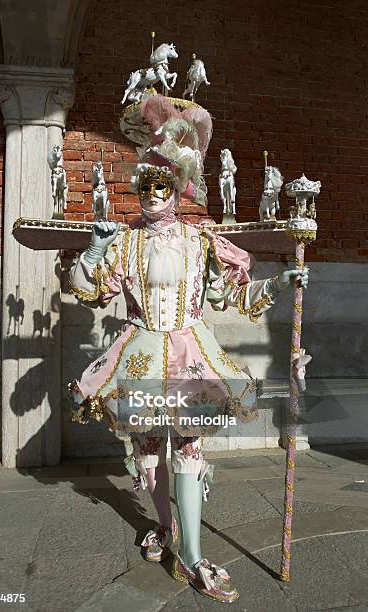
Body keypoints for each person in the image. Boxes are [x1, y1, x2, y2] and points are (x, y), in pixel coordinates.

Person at [67, 99, 309, 603]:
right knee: (149, 450)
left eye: (163, 186)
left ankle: (194, 556)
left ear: (177, 189)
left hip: (190, 353)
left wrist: (279, 284)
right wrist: (91, 252)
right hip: (138, 354)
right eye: (146, 186)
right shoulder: (125, 243)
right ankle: (164, 526)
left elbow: (232, 297)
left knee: (189, 447)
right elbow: (91, 290)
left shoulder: (202, 241)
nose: (153, 194)